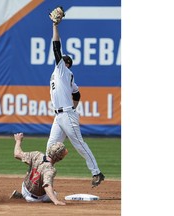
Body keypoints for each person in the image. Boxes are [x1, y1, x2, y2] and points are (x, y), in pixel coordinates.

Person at [46, 7, 105, 188]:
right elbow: (77, 93)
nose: (60, 60)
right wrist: (74, 107)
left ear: (66, 64)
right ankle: (40, 180)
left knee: (79, 144)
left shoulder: (63, 70)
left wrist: (55, 26)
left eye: (64, 60)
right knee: (49, 148)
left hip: (67, 115)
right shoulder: (63, 75)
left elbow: (56, 47)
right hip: (60, 116)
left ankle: (97, 173)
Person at [9, 133, 67, 205]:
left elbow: (17, 154)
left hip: (24, 188)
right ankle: (24, 198)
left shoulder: (37, 155)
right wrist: (55, 201)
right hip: (34, 199)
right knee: (54, 193)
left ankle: (22, 195)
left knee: (31, 171)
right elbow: (47, 185)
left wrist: (18, 141)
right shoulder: (50, 170)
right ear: (59, 158)